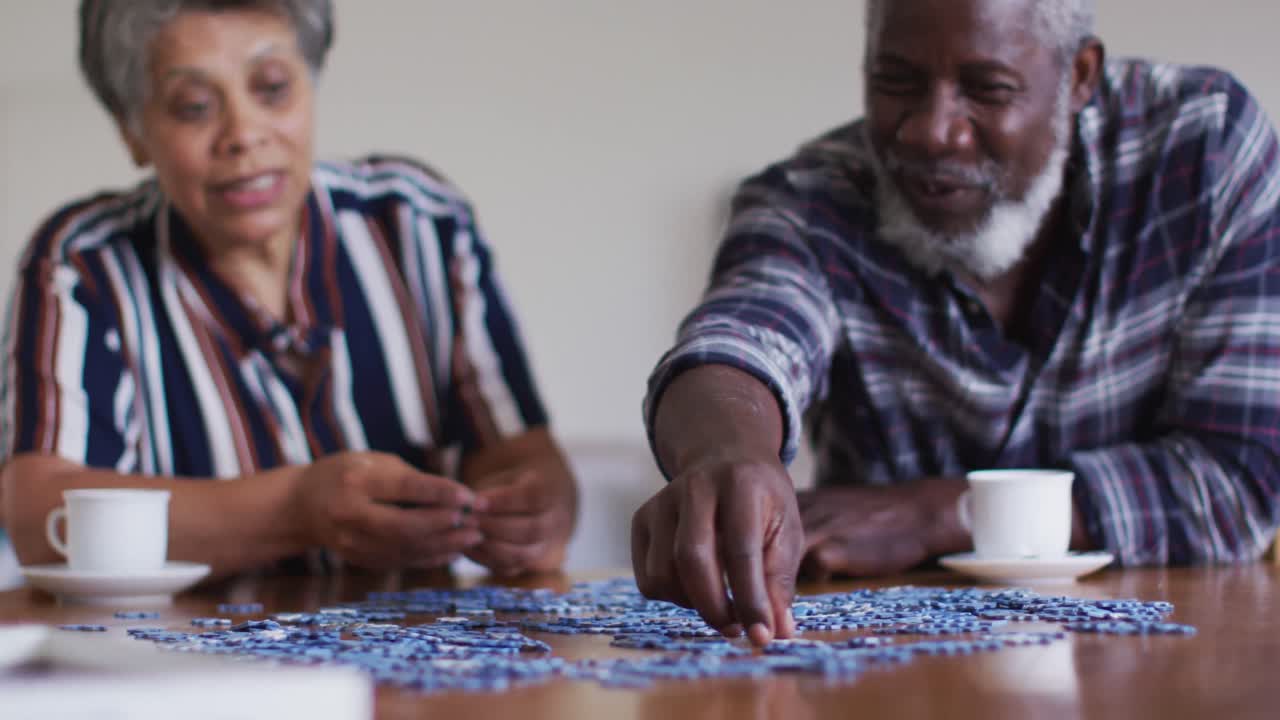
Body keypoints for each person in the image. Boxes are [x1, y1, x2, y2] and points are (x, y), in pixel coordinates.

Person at [632, 0, 1280, 646]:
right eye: (897, 82)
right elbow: (741, 337)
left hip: (1171, 659)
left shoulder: (1206, 147)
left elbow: (1240, 479)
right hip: (891, 670)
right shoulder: (808, 201)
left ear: (1080, 75)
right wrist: (728, 450)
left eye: (987, 89)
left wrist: (941, 513)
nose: (931, 131)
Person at [0, 0, 577, 579]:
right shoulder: (83, 263)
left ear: (311, 86)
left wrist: (534, 513)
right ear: (133, 132)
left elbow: (522, 452)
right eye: (194, 107)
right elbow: (38, 517)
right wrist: (296, 509)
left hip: (420, 654)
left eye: (272, 88)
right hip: (182, 663)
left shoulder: (420, 222)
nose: (244, 134)